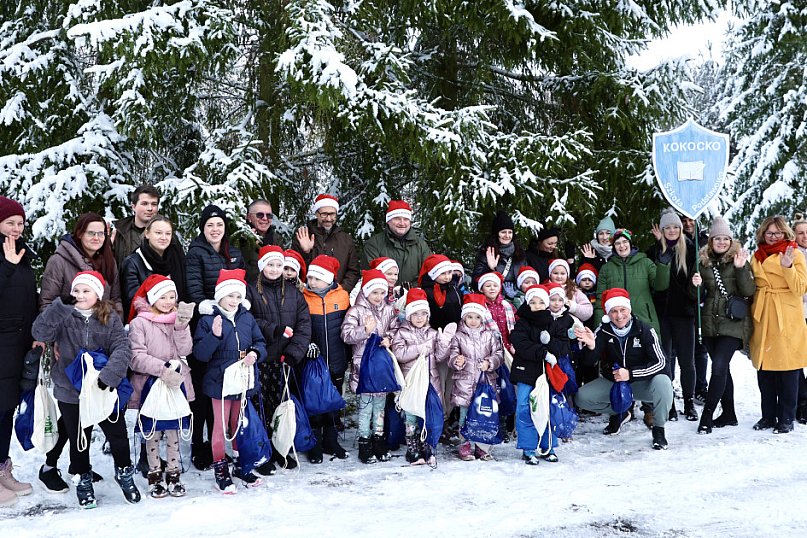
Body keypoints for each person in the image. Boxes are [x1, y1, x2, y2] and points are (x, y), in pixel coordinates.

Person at [31, 271, 140, 508]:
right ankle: (82, 478)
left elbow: (122, 347)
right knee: (79, 439)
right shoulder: (64, 316)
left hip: (103, 389)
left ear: (97, 295)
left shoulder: (109, 317)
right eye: (76, 290)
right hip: (71, 391)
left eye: (86, 291)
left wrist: (109, 377)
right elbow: (40, 332)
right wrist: (59, 307)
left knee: (117, 434)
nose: (80, 295)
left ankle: (124, 472)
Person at [193, 269, 266, 493]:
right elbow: (200, 354)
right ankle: (220, 469)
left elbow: (259, 342)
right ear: (220, 296)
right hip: (219, 381)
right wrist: (214, 336)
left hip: (243, 379)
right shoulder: (208, 320)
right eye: (229, 296)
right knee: (220, 425)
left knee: (238, 424)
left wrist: (255, 353)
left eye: (238, 296)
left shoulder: (247, 317)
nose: (234, 301)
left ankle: (239, 464)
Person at [574, 288, 673, 450]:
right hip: (615, 383)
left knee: (664, 383)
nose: (619, 316)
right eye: (613, 311)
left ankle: (659, 428)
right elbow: (588, 362)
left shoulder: (644, 329)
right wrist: (591, 346)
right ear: (608, 313)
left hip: (642, 382)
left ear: (629, 310)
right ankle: (620, 411)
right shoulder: (604, 330)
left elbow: (662, 363)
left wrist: (631, 373)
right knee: (582, 397)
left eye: (622, 310)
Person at [185, 204, 244, 470]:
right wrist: (202, 305)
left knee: (222, 389)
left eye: (219, 224)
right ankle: (199, 445)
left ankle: (218, 443)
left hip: (229, 323)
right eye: (210, 225)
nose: (215, 229)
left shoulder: (232, 253)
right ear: (203, 228)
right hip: (206, 325)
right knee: (202, 389)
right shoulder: (196, 252)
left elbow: (239, 284)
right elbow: (193, 284)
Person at [127, 275, 195, 498]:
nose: (168, 301)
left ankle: (174, 474)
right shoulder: (140, 323)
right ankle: (154, 475)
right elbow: (136, 357)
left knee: (173, 432)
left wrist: (182, 326)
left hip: (175, 386)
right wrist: (163, 370)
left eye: (172, 296)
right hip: (151, 384)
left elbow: (185, 350)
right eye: (162, 297)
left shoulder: (177, 319)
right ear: (152, 298)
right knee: (153, 433)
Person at [247, 246, 312, 467]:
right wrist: (272, 329)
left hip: (284, 360)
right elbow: (247, 320)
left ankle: (279, 448)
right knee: (260, 406)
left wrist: (294, 353)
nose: (275, 269)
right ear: (262, 266)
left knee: (281, 406)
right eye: (270, 264)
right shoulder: (251, 291)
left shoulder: (294, 294)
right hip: (261, 359)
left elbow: (304, 325)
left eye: (279, 265)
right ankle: (261, 451)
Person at [689, 217, 754, 434]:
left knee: (717, 367)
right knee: (722, 368)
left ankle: (706, 416)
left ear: (730, 240)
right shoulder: (702, 262)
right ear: (711, 240)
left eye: (726, 238)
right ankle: (729, 414)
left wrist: (740, 269)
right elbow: (693, 296)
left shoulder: (739, 259)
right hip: (709, 323)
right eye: (718, 238)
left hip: (732, 323)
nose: (722, 242)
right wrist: (694, 284)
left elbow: (748, 291)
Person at [749, 216, 807, 434]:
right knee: (765, 371)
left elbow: (801, 288)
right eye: (769, 233)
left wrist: (788, 267)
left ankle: (786, 418)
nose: (773, 237)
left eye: (777, 233)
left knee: (788, 370)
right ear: (763, 234)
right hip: (763, 316)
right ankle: (767, 416)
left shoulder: (794, 253)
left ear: (785, 234)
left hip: (786, 316)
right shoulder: (757, 256)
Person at [391, 288, 455, 466]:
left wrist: (443, 342)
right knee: (411, 416)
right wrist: (419, 349)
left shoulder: (433, 334)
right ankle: (413, 449)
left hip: (430, 382)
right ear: (409, 315)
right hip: (411, 383)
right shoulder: (402, 333)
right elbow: (399, 353)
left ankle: (429, 447)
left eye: (423, 314)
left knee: (429, 416)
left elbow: (440, 357)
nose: (420, 318)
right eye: (415, 314)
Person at [0, 197, 36, 506]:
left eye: (20, 223)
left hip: (19, 344)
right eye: (10, 222)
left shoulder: (21, 254)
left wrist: (38, 331)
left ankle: (2, 469)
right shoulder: (8, 258)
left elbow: (27, 297)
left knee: (7, 410)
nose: (15, 228)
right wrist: (7, 269)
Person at [646, 208, 699, 422]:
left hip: (684, 313)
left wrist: (696, 286)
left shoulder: (691, 249)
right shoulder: (653, 251)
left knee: (687, 361)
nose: (672, 231)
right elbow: (654, 283)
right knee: (665, 360)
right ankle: (669, 404)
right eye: (667, 227)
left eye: (675, 227)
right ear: (661, 229)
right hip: (661, 314)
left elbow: (694, 287)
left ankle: (688, 401)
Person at [341, 269, 398, 464]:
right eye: (374, 292)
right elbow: (346, 335)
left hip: (381, 368)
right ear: (365, 291)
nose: (378, 297)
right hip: (363, 367)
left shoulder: (389, 309)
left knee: (380, 407)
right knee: (366, 408)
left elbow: (395, 328)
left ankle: (379, 439)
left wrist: (389, 338)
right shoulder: (356, 311)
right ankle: (365, 441)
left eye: (382, 293)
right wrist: (365, 330)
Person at [303, 255, 351, 454]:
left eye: (317, 278)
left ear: (330, 278)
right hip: (314, 361)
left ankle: (331, 440)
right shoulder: (304, 297)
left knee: (333, 400)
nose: (312, 282)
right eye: (310, 278)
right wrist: (307, 345)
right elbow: (301, 326)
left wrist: (347, 355)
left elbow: (348, 326)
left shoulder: (342, 297)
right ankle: (315, 441)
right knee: (314, 401)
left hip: (337, 359)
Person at [447, 293, 503, 462]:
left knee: (482, 416)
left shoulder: (489, 336)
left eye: (477, 317)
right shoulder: (458, 336)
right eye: (469, 317)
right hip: (465, 383)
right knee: (465, 416)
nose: (473, 320)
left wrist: (489, 362)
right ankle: (465, 445)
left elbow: (498, 354)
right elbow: (452, 356)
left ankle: (481, 445)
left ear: (482, 318)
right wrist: (457, 361)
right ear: (464, 317)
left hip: (485, 383)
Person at [40, 213, 123, 315]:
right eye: (91, 233)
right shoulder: (58, 261)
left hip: (103, 327)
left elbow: (116, 300)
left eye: (101, 233)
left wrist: (114, 324)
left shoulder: (109, 261)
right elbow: (47, 303)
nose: (96, 238)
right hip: (69, 327)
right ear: (80, 234)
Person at [594, 228, 670, 336]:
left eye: (625, 242)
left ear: (630, 243)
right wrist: (599, 326)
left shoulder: (645, 263)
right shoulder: (606, 269)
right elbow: (601, 299)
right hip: (617, 323)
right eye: (618, 243)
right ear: (614, 247)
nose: (622, 246)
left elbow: (660, 286)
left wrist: (663, 266)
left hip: (644, 320)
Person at [510, 285, 554, 465]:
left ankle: (548, 445)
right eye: (533, 302)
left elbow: (560, 343)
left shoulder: (552, 321)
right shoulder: (522, 322)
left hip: (545, 374)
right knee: (524, 408)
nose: (537, 305)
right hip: (525, 372)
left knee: (546, 408)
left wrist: (552, 349)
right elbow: (520, 343)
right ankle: (528, 448)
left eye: (541, 302)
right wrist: (541, 352)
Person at [120, 215, 186, 321]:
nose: (164, 237)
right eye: (158, 233)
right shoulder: (133, 263)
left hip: (176, 320)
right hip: (147, 322)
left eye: (168, 233)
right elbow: (134, 301)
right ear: (147, 234)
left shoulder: (176, 257)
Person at [292, 194, 361, 292]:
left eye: (332, 214)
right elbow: (293, 270)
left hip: (337, 299)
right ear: (316, 213)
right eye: (324, 214)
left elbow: (353, 271)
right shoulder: (303, 236)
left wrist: (341, 290)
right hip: (308, 296)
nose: (329, 219)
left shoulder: (345, 239)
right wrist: (306, 252)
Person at [360, 200, 432, 286]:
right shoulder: (374, 244)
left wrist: (410, 292)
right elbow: (370, 275)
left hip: (414, 296)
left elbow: (429, 273)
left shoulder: (420, 245)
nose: (402, 223)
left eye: (405, 219)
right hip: (382, 296)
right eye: (397, 219)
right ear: (388, 221)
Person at [682, 215, 711, 402]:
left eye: (691, 220)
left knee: (701, 348)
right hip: (683, 301)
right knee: (683, 350)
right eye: (684, 221)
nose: (688, 224)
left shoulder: (706, 241)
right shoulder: (678, 242)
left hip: (703, 300)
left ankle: (701, 386)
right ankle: (687, 388)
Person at [471, 210, 526, 299]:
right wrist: (490, 269)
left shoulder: (519, 253)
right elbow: (475, 283)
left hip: (517, 298)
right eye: (503, 232)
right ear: (497, 234)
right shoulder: (487, 253)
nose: (507, 236)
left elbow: (526, 278)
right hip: (494, 299)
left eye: (510, 232)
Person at [112, 185, 161, 268]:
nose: (150, 208)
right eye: (144, 204)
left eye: (154, 204)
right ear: (134, 207)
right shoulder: (118, 234)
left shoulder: (166, 234)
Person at [546, 259, 594, 324]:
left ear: (567, 275)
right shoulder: (544, 290)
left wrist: (573, 307)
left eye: (563, 273)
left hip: (572, 328)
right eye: (555, 273)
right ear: (550, 274)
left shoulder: (574, 290)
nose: (559, 276)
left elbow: (588, 311)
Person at [239, 199, 276, 284]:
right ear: (249, 217)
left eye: (269, 215)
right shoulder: (239, 239)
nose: (265, 218)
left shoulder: (277, 240)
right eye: (260, 215)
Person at [794, 219, 807, 423]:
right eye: (801, 233)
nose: (805, 236)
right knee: (796, 360)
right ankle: (802, 403)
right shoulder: (791, 254)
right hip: (797, 313)